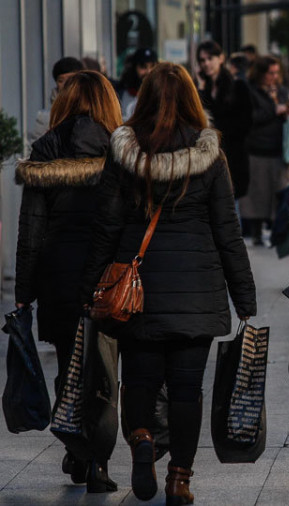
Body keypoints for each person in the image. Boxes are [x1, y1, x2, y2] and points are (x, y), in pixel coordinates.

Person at [80, 62, 256, 502]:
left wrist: (90, 286)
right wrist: (244, 297)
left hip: (137, 291)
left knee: (139, 379)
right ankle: (180, 478)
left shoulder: (125, 153)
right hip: (197, 292)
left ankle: (141, 440)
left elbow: (106, 225)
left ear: (145, 99)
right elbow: (227, 232)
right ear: (193, 99)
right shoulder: (210, 154)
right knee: (186, 388)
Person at [16, 70, 121, 494]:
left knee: (68, 363)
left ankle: (77, 447)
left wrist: (23, 293)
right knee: (104, 369)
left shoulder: (44, 150)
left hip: (57, 271)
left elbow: (31, 231)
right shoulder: (119, 147)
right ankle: (97, 461)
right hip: (106, 273)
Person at [240, 55, 289, 245]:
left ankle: (276, 232)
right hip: (257, 148)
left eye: (277, 73)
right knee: (257, 194)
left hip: (278, 148)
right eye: (271, 73)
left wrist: (286, 108)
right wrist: (273, 110)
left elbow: (285, 107)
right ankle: (256, 232)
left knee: (278, 192)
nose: (274, 77)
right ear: (261, 73)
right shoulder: (250, 91)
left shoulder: (280, 91)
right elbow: (249, 117)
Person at [196, 40, 253, 200]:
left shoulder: (238, 87)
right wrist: (200, 89)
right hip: (208, 159)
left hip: (232, 157)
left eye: (210, 58)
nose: (206, 64)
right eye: (202, 60)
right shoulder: (201, 88)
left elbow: (245, 123)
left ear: (221, 58)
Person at [30, 57, 86, 143]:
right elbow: (34, 148)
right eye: (61, 80)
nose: (66, 84)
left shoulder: (92, 109)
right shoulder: (45, 118)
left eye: (71, 79)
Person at [117, 47, 158, 121]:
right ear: (134, 68)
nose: (149, 71)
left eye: (153, 66)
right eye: (143, 66)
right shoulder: (122, 95)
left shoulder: (161, 95)